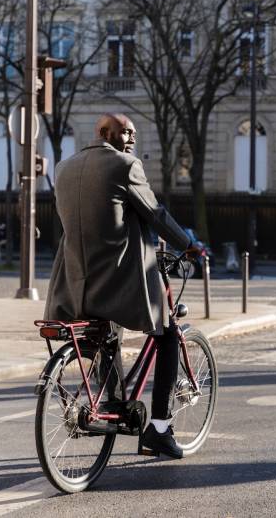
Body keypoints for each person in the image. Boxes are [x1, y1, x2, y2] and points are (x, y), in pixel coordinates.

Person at [44, 113, 198, 459]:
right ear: (104, 132)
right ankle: (160, 429)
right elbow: (155, 214)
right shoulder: (125, 166)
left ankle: (113, 404)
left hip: (73, 280)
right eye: (126, 133)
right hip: (117, 279)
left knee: (107, 336)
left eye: (133, 134)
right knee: (168, 334)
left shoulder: (64, 168)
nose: (132, 140)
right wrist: (188, 244)